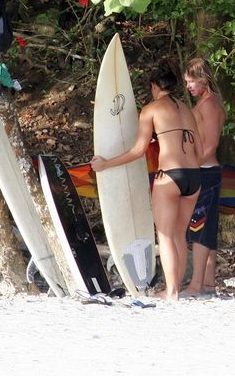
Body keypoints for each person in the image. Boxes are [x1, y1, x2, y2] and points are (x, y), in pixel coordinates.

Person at [91, 61, 203, 300]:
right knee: (180, 235)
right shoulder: (187, 109)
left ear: (154, 86)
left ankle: (171, 292)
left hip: (170, 177)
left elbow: (138, 150)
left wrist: (105, 164)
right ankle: (176, 288)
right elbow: (200, 149)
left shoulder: (151, 109)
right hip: (194, 177)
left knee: (164, 235)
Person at [182, 58, 226, 296]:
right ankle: (208, 283)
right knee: (206, 227)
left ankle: (196, 285)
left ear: (204, 79)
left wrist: (191, 168)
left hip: (206, 171)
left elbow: (211, 144)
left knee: (199, 227)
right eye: (186, 82)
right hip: (206, 171)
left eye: (191, 82)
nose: (188, 87)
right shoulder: (209, 102)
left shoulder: (209, 105)